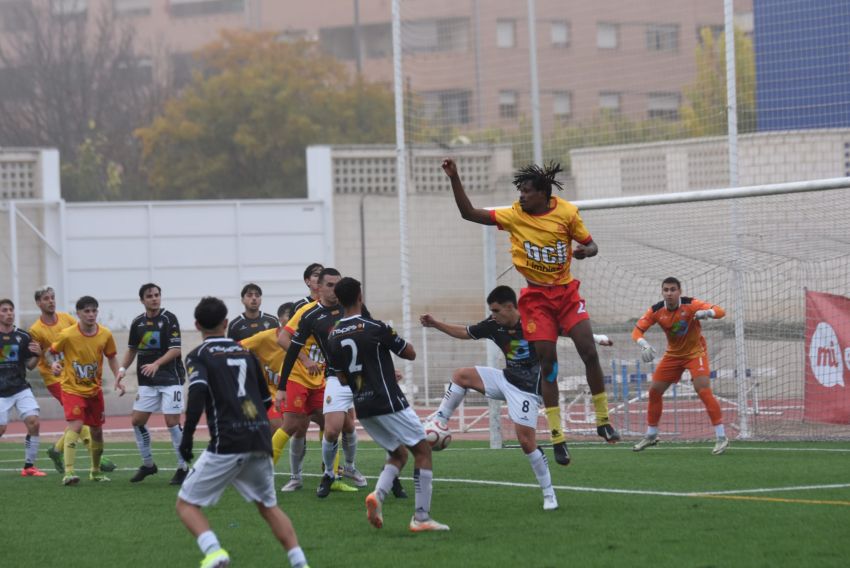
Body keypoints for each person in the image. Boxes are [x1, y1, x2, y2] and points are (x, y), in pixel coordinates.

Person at [442, 158, 619, 467]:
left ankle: (603, 419)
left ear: (543, 194)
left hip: (566, 293)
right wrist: (455, 178)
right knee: (548, 363)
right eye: (520, 190)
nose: (521, 196)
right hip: (536, 299)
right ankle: (557, 437)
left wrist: (584, 252)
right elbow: (468, 213)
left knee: (589, 350)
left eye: (526, 191)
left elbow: (592, 246)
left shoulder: (566, 213)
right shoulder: (514, 215)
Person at [176, 296, 309, 568]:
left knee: (186, 504)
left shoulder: (199, 355)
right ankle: (300, 563)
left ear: (197, 324)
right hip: (259, 439)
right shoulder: (246, 354)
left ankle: (214, 552)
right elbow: (264, 401)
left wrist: (187, 437)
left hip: (228, 440)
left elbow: (198, 394)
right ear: (226, 323)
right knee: (268, 506)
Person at [327, 277, 449, 532]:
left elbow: (340, 376)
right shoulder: (375, 327)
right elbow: (410, 353)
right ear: (360, 296)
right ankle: (422, 518)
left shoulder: (334, 334)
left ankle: (378, 496)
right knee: (423, 452)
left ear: (338, 300)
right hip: (388, 401)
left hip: (363, 406)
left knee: (398, 453)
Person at [278, 268, 367, 497]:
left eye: (337, 285)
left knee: (345, 424)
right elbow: (284, 339)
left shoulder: (349, 306)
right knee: (296, 427)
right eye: (328, 284)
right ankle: (294, 476)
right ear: (315, 285)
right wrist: (304, 361)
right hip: (305, 376)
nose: (334, 289)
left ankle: (341, 471)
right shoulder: (307, 312)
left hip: (332, 377)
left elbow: (370, 332)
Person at [631, 277, 729, 455]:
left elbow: (721, 311)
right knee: (654, 391)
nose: (669, 293)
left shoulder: (691, 304)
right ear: (662, 292)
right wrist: (643, 344)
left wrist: (708, 313)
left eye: (673, 289)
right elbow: (636, 331)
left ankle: (721, 437)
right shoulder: (656, 310)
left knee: (703, 389)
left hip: (695, 353)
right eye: (666, 290)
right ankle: (652, 435)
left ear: (679, 291)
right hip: (673, 355)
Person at [29, 286, 116, 474]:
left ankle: (58, 449)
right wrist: (51, 362)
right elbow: (43, 352)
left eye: (52, 297)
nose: (51, 301)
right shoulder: (36, 329)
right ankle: (94, 460)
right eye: (46, 298)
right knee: (78, 418)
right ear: (38, 303)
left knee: (80, 418)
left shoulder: (66, 319)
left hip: (76, 373)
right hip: (54, 377)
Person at [240, 301, 322, 490]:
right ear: (280, 321)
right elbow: (238, 346)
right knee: (283, 427)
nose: (291, 328)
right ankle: (255, 468)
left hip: (298, 389)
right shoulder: (265, 338)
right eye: (287, 323)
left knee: (304, 426)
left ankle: (303, 476)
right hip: (271, 396)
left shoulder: (306, 339)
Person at [48, 296, 125, 485]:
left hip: (93, 391)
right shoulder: (68, 334)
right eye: (87, 311)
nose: (91, 315)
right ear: (78, 313)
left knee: (97, 431)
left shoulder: (105, 334)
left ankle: (95, 471)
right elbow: (50, 352)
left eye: (94, 311)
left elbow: (111, 357)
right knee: (76, 425)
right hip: (71, 389)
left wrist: (118, 376)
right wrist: (54, 364)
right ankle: (69, 472)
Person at [116, 283, 188, 485]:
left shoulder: (169, 318)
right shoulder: (137, 322)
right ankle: (148, 464)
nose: (154, 298)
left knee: (172, 422)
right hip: (147, 381)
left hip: (171, 379)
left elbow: (175, 349)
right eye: (150, 296)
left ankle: (183, 467)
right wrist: (122, 370)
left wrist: (156, 363)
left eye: (157, 295)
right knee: (137, 421)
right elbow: (131, 349)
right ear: (142, 300)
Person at [0, 299, 47, 477]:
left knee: (34, 422)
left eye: (11, 310)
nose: (9, 313)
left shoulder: (23, 336)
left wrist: (38, 354)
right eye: (4, 310)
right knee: (1, 429)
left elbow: (30, 365)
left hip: (20, 388)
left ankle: (29, 467)